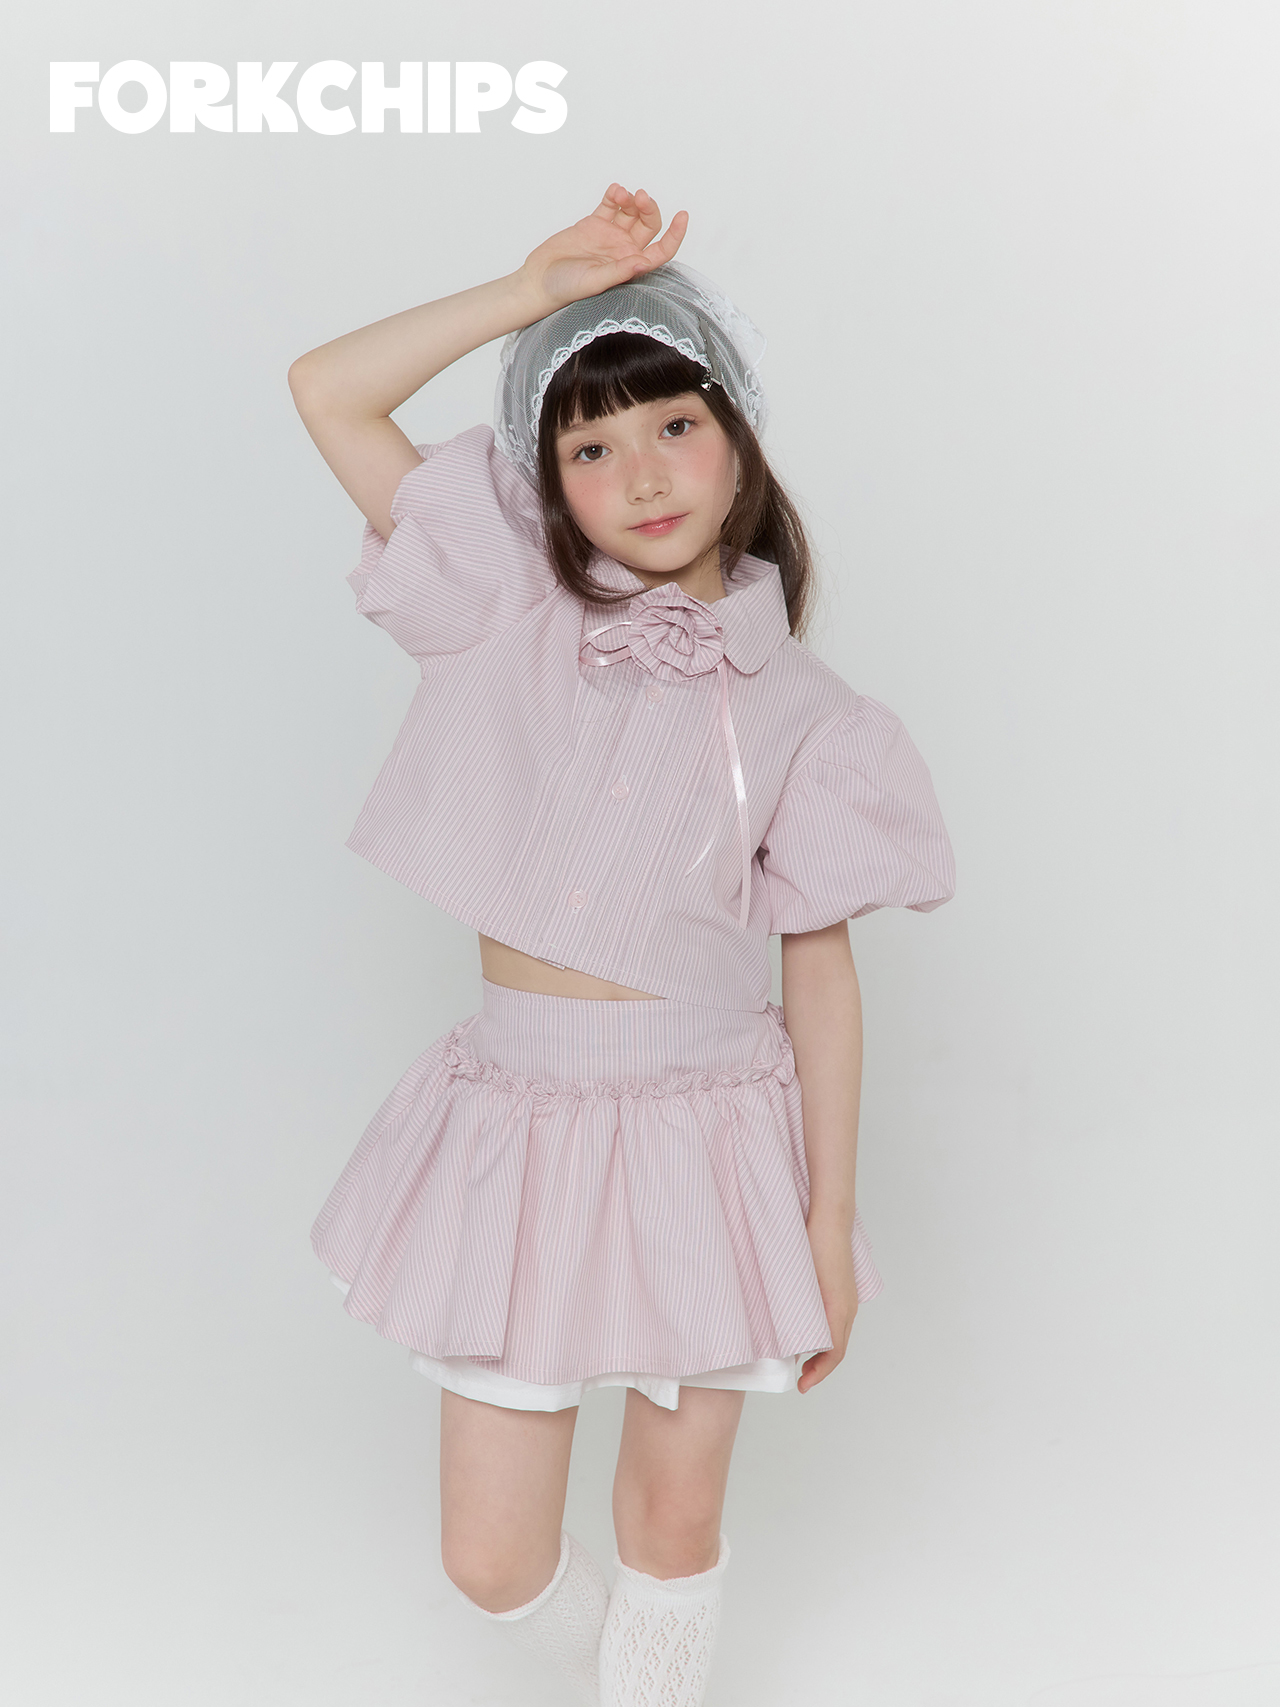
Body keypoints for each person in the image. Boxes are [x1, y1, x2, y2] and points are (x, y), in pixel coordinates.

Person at [287, 184, 955, 1707]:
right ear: (549, 483)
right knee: (492, 1558)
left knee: (671, 1522)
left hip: (708, 1137)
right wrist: (531, 293)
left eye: (673, 425)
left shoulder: (814, 719)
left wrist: (828, 1219)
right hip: (519, 1123)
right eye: (587, 448)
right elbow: (327, 389)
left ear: (740, 441)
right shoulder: (505, 605)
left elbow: (820, 974)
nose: (640, 473)